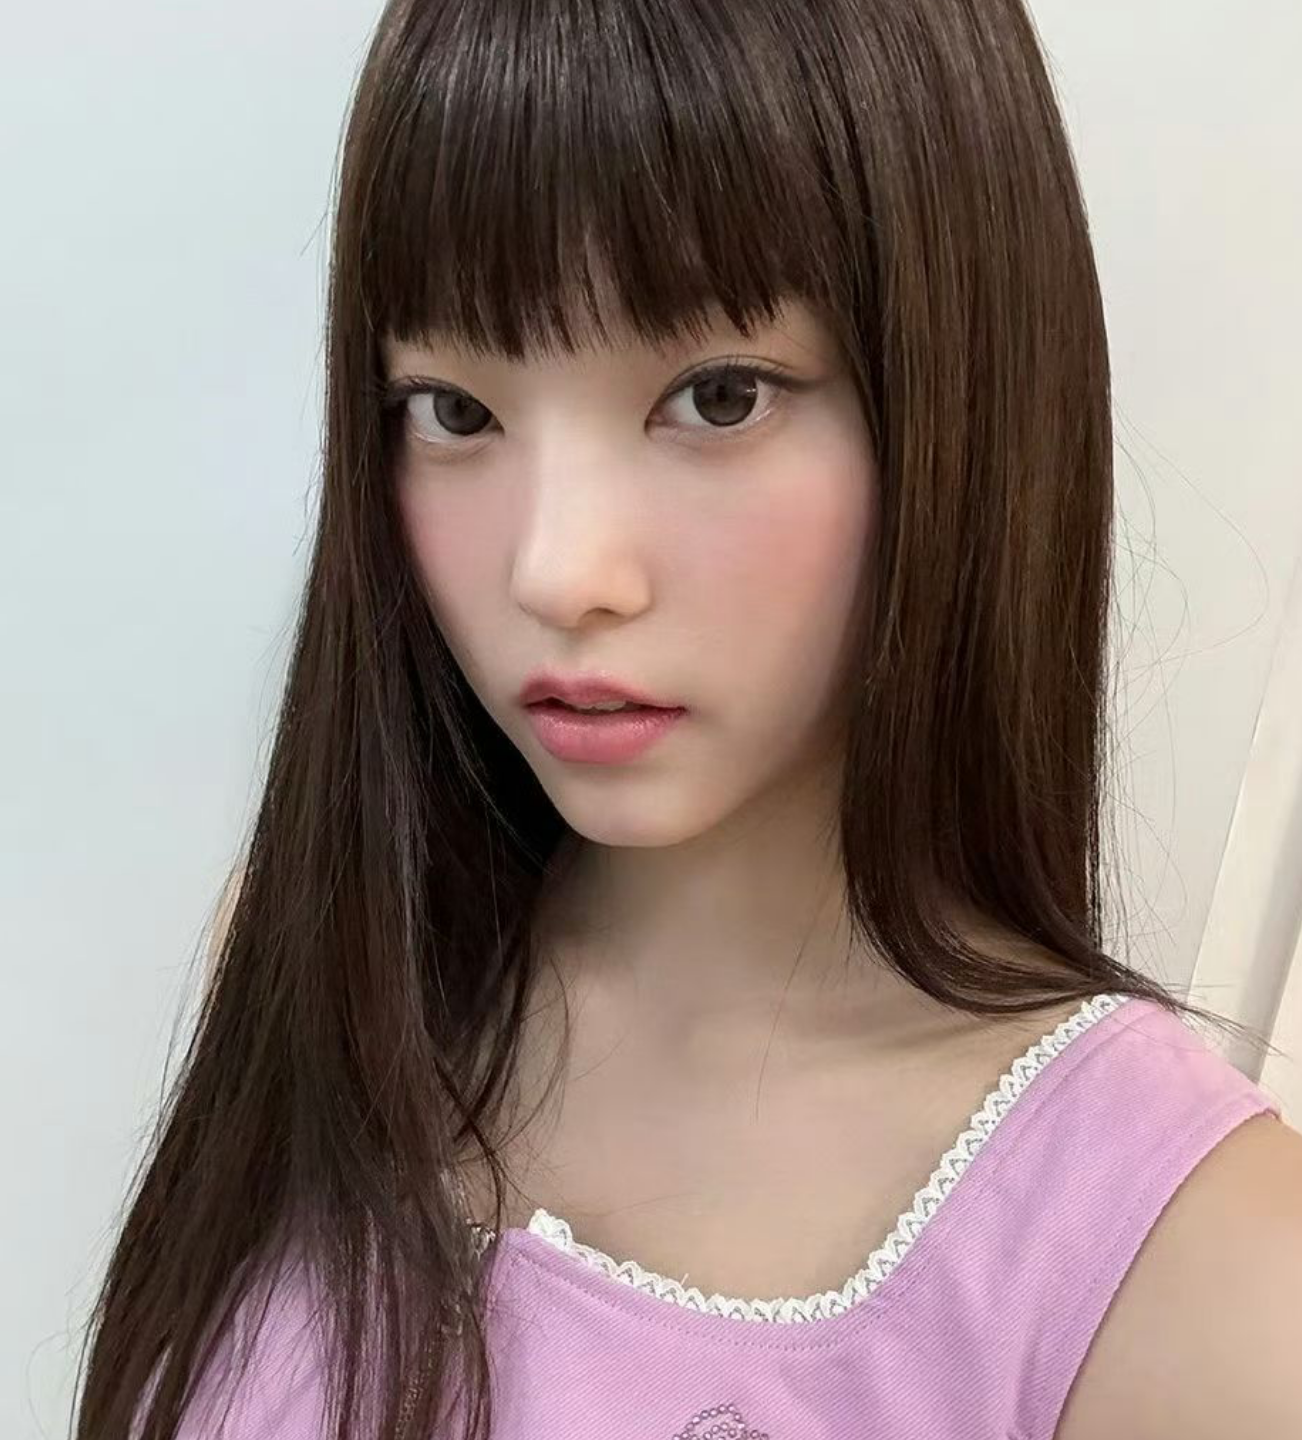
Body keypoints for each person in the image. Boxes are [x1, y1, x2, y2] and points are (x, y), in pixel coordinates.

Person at [73, 1, 1302, 1437]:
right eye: (455, 410)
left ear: (962, 393)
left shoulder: (1195, 1274)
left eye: (719, 397)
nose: (558, 571)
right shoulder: (338, 960)